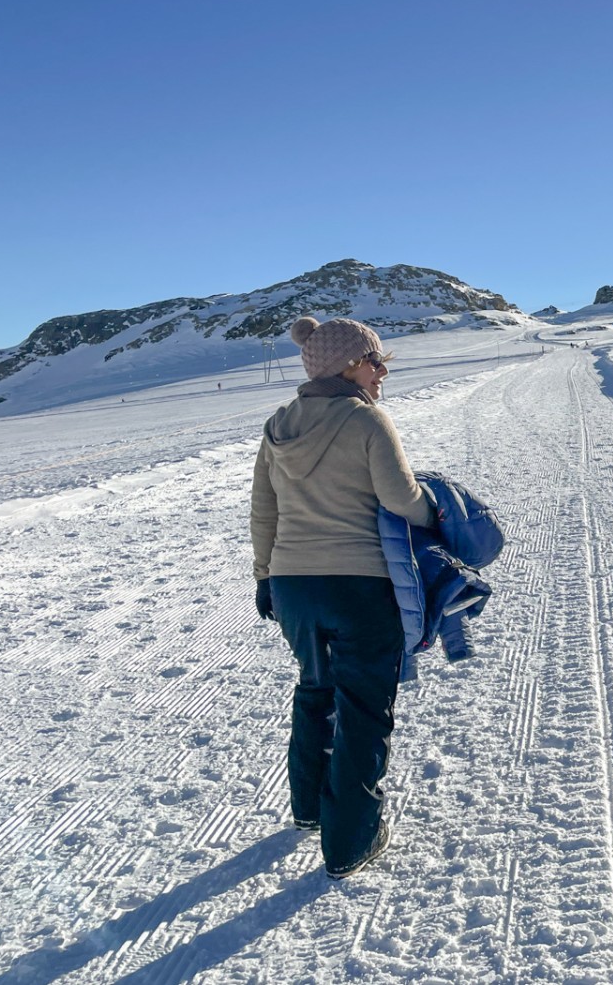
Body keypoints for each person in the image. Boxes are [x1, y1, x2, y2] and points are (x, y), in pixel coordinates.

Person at [250, 315, 435, 879]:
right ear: (347, 365)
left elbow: (265, 510)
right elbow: (403, 500)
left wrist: (264, 576)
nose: (382, 372)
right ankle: (351, 841)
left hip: (293, 587)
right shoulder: (368, 420)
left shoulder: (279, 424)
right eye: (374, 361)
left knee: (315, 690)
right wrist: (440, 513)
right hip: (359, 585)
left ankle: (309, 810)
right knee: (362, 709)